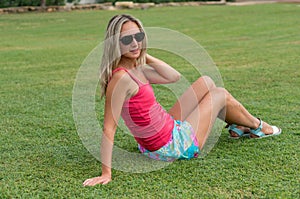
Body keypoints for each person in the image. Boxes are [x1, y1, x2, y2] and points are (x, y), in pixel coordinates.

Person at [83, 14, 281, 186]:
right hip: (168, 145)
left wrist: (144, 55)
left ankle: (237, 126)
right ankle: (258, 126)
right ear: (115, 43)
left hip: (165, 128)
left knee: (206, 82)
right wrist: (106, 173)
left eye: (139, 37)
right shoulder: (121, 79)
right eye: (127, 39)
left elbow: (173, 77)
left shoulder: (136, 69)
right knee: (219, 94)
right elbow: (109, 127)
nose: (135, 43)